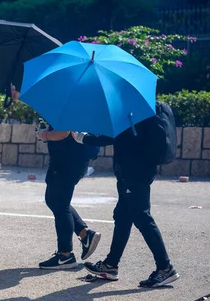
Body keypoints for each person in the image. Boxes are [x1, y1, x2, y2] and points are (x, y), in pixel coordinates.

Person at [72, 122, 180, 287]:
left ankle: (165, 268)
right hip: (133, 171)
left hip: (134, 172)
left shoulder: (132, 113)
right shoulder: (137, 110)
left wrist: (83, 138)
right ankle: (110, 265)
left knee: (142, 217)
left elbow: (112, 135)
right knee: (123, 217)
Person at [11, 87, 101, 270]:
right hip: (68, 160)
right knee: (53, 200)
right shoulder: (72, 99)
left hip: (67, 162)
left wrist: (42, 135)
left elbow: (63, 132)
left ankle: (65, 255)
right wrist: (21, 97)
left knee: (59, 205)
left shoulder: (65, 102)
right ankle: (85, 234)